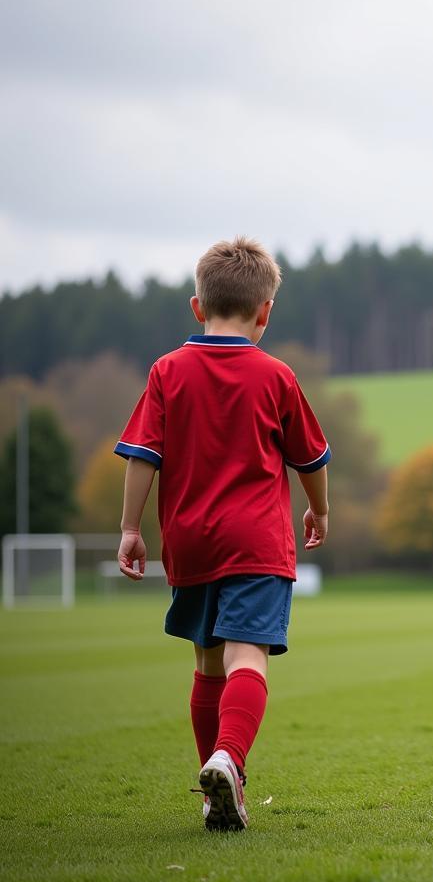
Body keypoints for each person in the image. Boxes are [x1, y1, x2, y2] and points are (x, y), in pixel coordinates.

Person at [114, 236, 331, 832]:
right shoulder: (276, 376)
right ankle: (230, 762)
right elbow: (310, 458)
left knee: (208, 662)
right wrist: (320, 511)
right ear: (265, 311)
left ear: (196, 306)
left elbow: (142, 456)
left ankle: (215, 796)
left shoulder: (167, 371)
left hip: (190, 540)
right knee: (247, 658)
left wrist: (132, 528)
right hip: (257, 542)